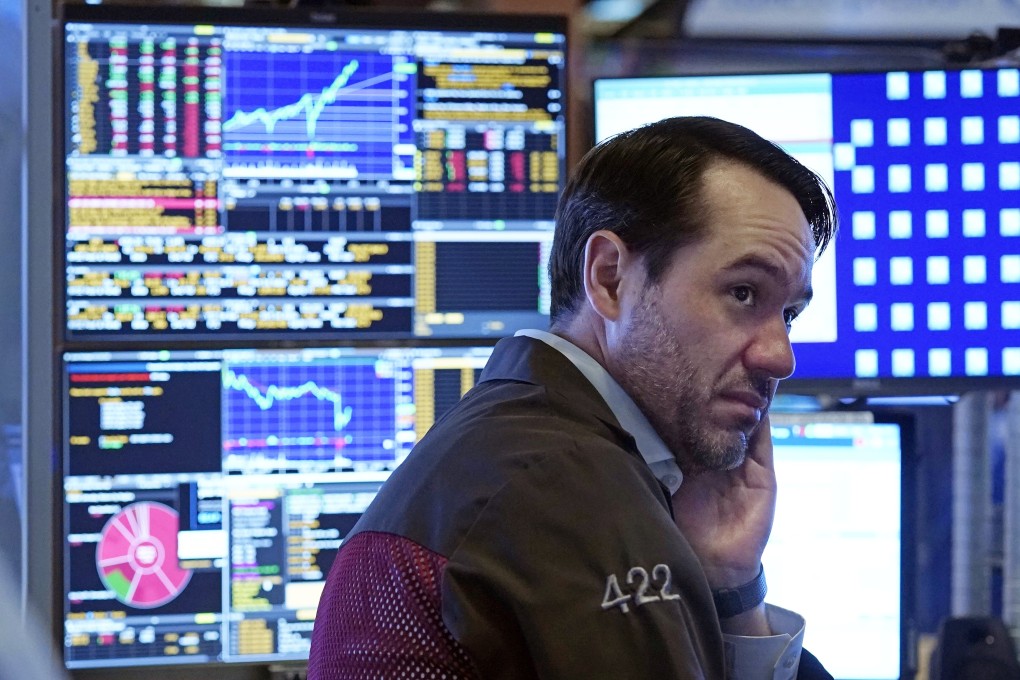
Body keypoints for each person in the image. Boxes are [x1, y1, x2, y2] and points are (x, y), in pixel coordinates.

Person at [307, 116, 838, 679]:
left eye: (789, 313)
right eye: (743, 293)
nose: (780, 357)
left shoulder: (516, 443)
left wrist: (730, 583)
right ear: (609, 278)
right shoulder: (566, 484)